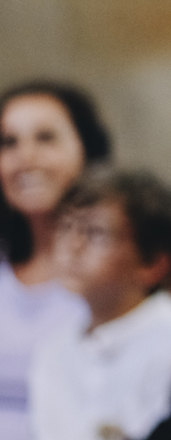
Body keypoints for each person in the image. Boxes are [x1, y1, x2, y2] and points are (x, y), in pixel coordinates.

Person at [28, 169, 171, 440]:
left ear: (153, 264)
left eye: (95, 233)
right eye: (65, 227)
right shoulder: (54, 348)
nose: (73, 245)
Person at [0, 82, 107, 440]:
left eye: (45, 138)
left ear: (87, 150)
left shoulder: (117, 272)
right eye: (8, 142)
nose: (25, 158)